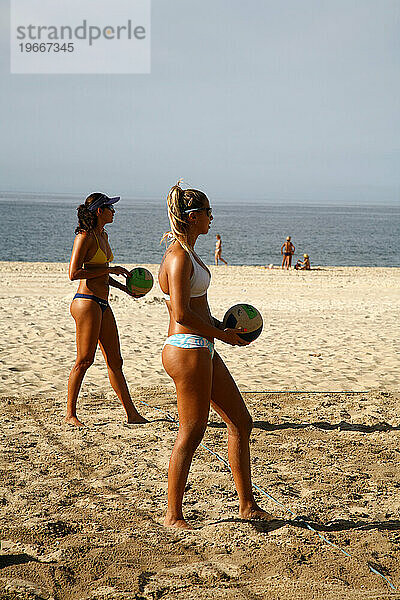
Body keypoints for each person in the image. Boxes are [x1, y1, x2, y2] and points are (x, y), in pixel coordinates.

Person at [158, 181, 272, 529]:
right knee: (192, 431)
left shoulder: (190, 253)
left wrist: (223, 326)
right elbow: (180, 314)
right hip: (186, 348)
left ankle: (247, 505)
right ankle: (173, 515)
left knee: (241, 421)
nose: (212, 217)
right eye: (208, 212)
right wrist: (219, 333)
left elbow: (196, 307)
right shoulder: (178, 256)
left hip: (202, 346)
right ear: (193, 217)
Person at [66, 192, 147, 427]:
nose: (114, 211)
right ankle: (70, 414)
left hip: (103, 303)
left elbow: (101, 272)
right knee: (84, 360)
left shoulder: (103, 235)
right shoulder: (85, 237)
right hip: (86, 302)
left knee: (115, 361)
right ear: (99, 211)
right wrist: (110, 271)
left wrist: (124, 287)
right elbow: (74, 273)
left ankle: (132, 414)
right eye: (110, 208)